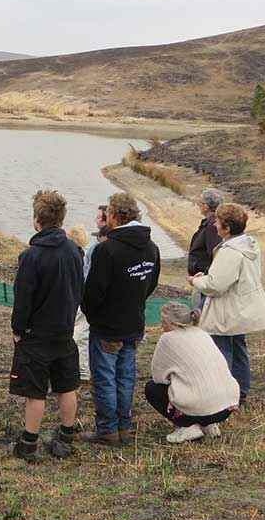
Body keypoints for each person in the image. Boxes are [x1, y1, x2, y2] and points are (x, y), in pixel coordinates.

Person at [9, 190, 83, 462]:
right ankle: (66, 436)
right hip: (65, 329)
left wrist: (18, 329)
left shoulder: (32, 256)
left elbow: (23, 299)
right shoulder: (75, 251)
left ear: (37, 218)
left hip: (37, 334)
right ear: (61, 218)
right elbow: (79, 289)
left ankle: (29, 443)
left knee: (35, 392)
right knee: (67, 386)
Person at [81, 193, 160, 446]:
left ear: (114, 216)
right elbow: (151, 284)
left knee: (104, 378)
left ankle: (107, 429)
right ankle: (124, 427)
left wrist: (93, 316)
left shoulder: (107, 250)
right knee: (126, 376)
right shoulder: (151, 248)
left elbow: (92, 292)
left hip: (107, 325)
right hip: (134, 321)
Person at [188, 203, 265, 406]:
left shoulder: (230, 251)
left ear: (226, 228)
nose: (215, 225)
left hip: (227, 309)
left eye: (218, 222)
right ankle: (241, 391)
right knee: (238, 346)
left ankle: (225, 396)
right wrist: (209, 277)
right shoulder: (248, 244)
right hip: (241, 306)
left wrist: (196, 281)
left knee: (222, 350)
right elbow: (230, 276)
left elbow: (216, 286)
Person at [145, 303, 239, 443]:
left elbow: (158, 377)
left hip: (201, 407)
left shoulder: (167, 339)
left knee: (152, 388)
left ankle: (187, 426)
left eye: (163, 321)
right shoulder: (202, 333)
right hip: (226, 407)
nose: (161, 325)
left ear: (172, 323)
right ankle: (209, 425)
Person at [187, 188, 224, 311]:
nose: (199, 205)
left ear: (206, 206)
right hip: (204, 279)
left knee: (203, 315)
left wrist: (206, 275)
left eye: (200, 203)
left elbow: (216, 254)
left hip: (206, 281)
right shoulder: (211, 223)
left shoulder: (212, 226)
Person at [66, 225, 92, 386]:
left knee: (79, 336)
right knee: (81, 336)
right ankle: (82, 369)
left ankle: (82, 371)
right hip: (81, 299)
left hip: (77, 300)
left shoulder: (72, 256)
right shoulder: (83, 255)